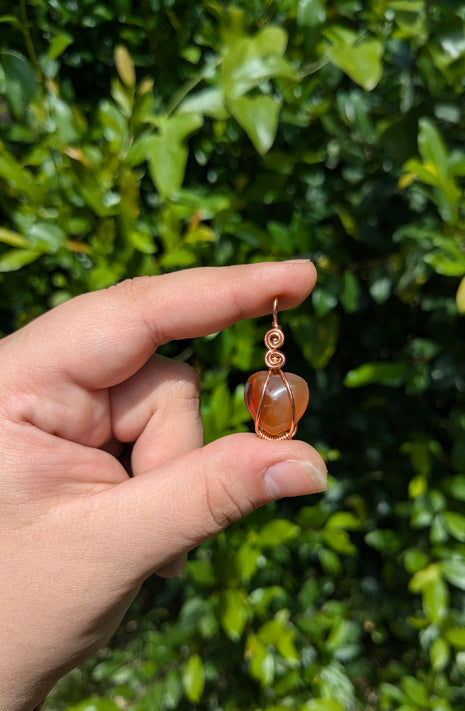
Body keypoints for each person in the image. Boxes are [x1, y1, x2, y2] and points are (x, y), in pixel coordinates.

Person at [0, 261, 328, 711]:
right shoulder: (268, 386)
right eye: (273, 343)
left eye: (274, 343)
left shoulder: (281, 386)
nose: (274, 348)